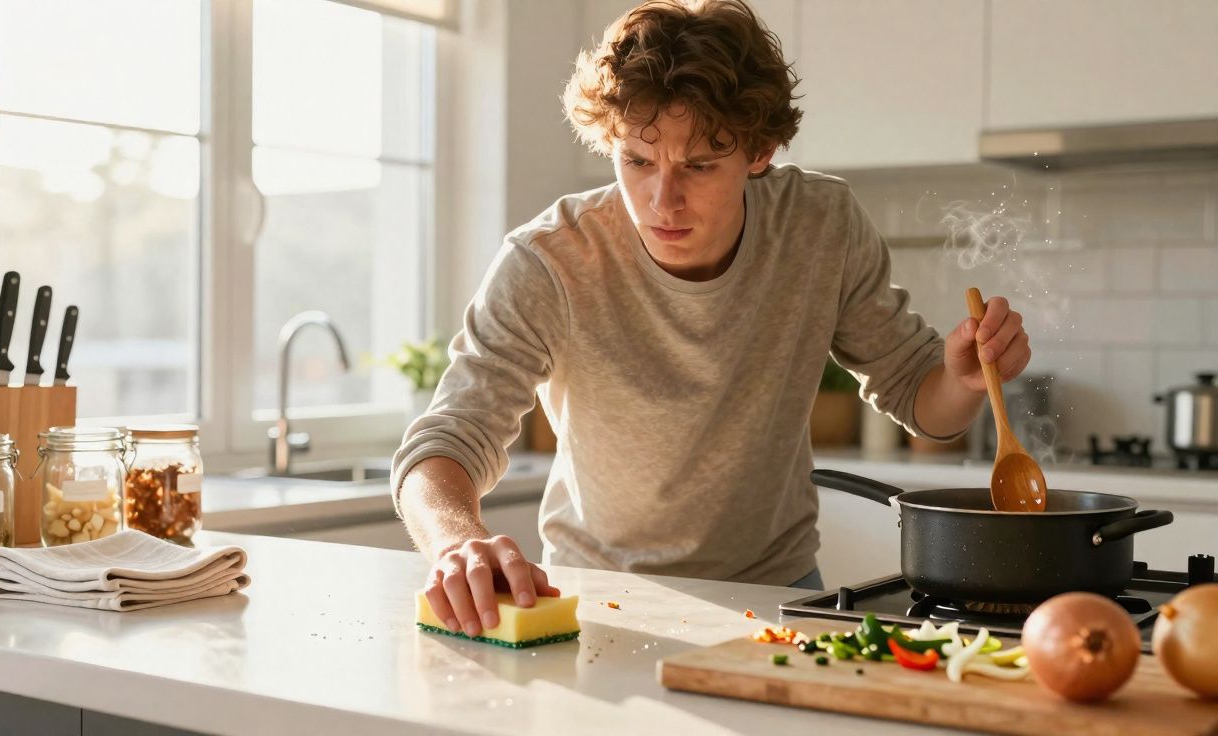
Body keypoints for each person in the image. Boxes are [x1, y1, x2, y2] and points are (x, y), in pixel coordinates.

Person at [391, 0, 1031, 640]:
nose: (661, 201)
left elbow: (925, 404)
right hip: (599, 601)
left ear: (760, 151)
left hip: (777, 595)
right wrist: (456, 541)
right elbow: (444, 442)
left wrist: (964, 381)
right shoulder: (550, 261)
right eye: (637, 162)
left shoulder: (821, 227)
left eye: (697, 166)